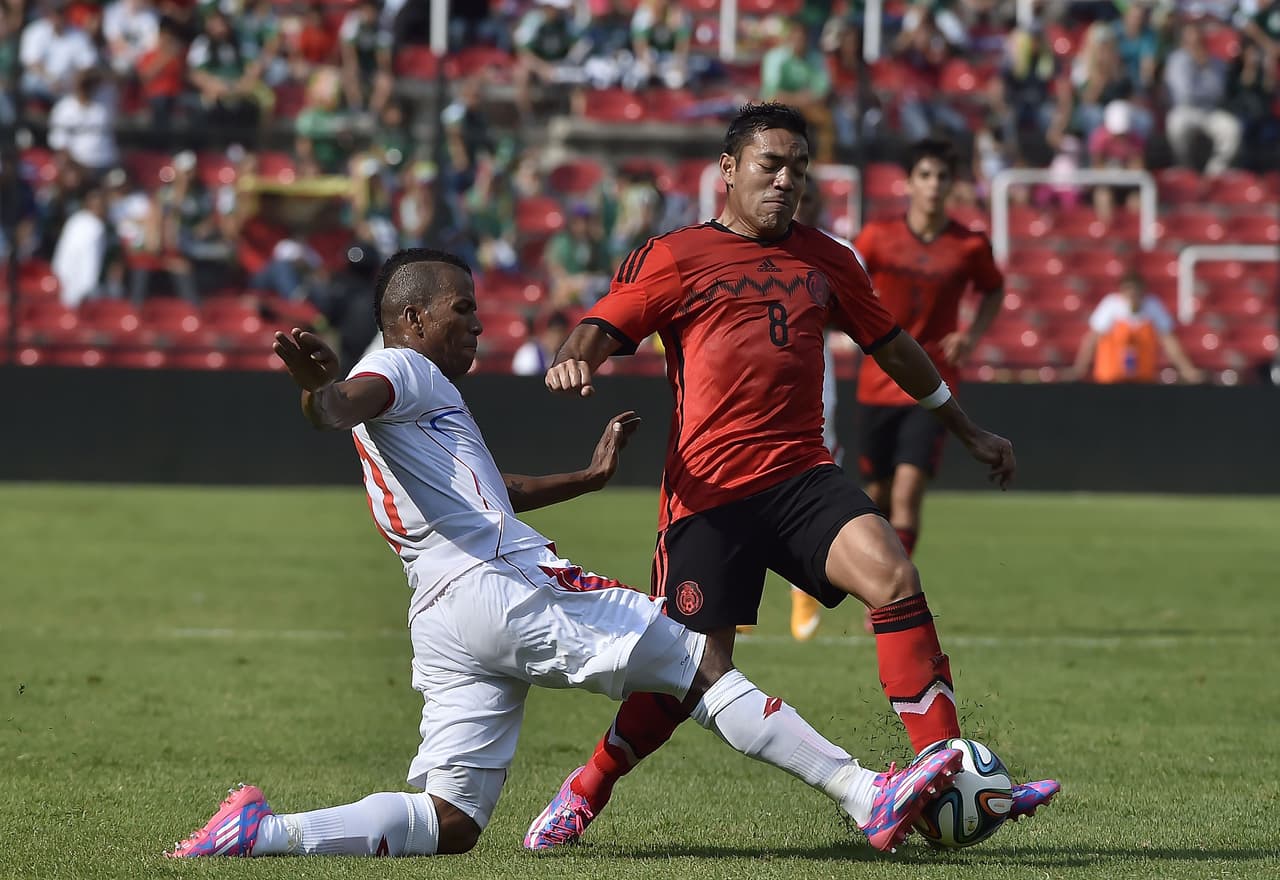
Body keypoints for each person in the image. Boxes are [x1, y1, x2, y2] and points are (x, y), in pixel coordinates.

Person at [166, 247, 973, 860]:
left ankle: (260, 833)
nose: (477, 322)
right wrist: (323, 389)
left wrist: (587, 479)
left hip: (445, 617)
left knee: (452, 822)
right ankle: (865, 791)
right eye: (461, 309)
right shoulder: (402, 367)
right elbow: (344, 404)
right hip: (502, 585)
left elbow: (489, 491)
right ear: (413, 320)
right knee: (697, 661)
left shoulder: (422, 397)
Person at [527, 105, 1058, 851]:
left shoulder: (829, 257)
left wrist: (965, 428)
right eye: (771, 165)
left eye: (799, 170)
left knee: (895, 576)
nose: (786, 181)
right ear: (729, 170)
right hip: (709, 496)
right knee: (693, 675)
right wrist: (575, 354)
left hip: (802, 475)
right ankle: (587, 786)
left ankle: (943, 770)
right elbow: (603, 324)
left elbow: (894, 346)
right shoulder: (677, 256)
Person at [803, 138, 1008, 643]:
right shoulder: (877, 237)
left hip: (932, 386)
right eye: (925, 175)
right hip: (877, 382)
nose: (934, 185)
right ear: (910, 183)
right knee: (872, 496)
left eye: (942, 176)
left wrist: (972, 334)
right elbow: (841, 282)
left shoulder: (969, 244)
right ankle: (869, 579)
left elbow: (995, 288)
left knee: (909, 490)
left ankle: (888, 601)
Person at [1068, 270, 1204, 384]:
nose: (1132, 294)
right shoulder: (1111, 306)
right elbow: (1092, 339)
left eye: (1136, 289)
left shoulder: (1152, 306)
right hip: (1111, 378)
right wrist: (1080, 367)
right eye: (1128, 289)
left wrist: (1187, 370)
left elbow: (1169, 341)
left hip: (1142, 378)